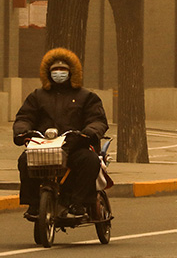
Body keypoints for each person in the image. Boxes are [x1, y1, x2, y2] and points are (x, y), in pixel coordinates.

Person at [13, 47, 108, 218]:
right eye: (55, 70)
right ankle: (33, 204)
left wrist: (86, 134)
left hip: (74, 146)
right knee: (24, 160)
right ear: (47, 73)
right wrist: (23, 132)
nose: (59, 73)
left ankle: (79, 203)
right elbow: (24, 117)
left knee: (90, 161)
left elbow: (97, 120)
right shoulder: (37, 96)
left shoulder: (86, 97)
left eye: (63, 70)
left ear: (72, 72)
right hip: (44, 146)